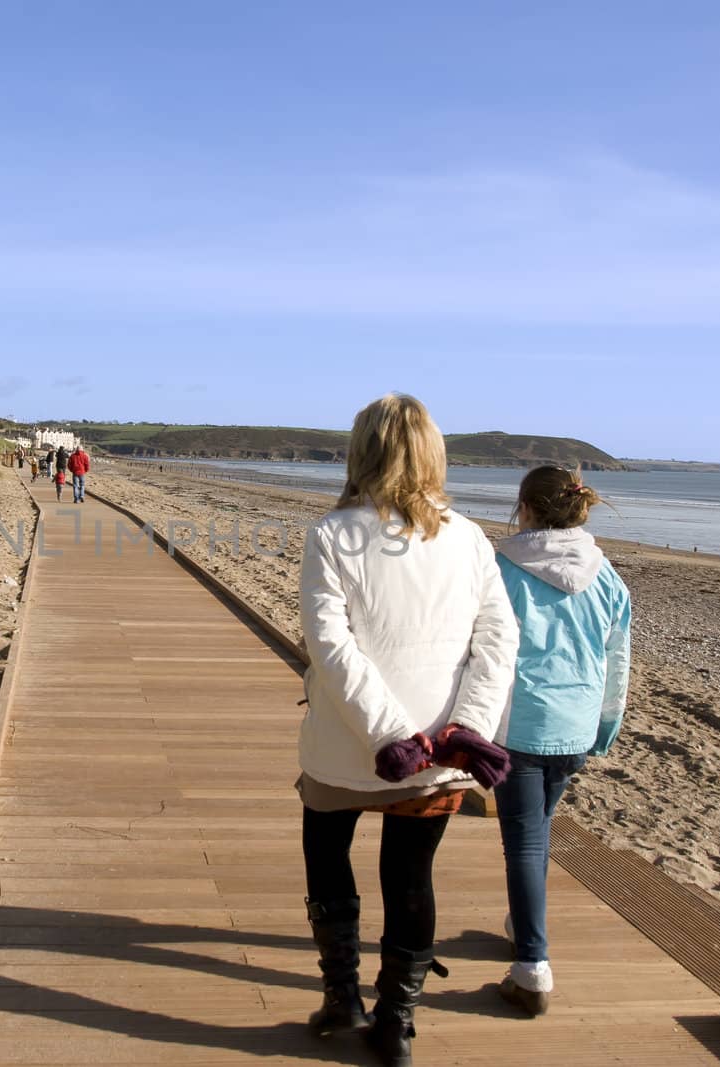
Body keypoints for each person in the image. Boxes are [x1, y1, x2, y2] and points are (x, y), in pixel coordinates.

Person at [297, 394, 519, 1067]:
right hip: (437, 752)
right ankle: (396, 1023)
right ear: (432, 454)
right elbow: (500, 640)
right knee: (411, 876)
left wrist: (392, 733)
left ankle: (344, 998)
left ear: (360, 452)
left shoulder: (333, 534)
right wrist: (466, 728)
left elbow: (332, 647)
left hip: (347, 744)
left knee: (328, 856)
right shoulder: (469, 537)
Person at [492, 466, 631, 1016]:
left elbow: (475, 645)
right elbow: (616, 660)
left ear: (524, 507)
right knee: (539, 831)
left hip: (517, 725)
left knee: (525, 842)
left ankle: (532, 966)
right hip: (575, 726)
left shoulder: (500, 568)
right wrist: (606, 724)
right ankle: (521, 923)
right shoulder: (608, 576)